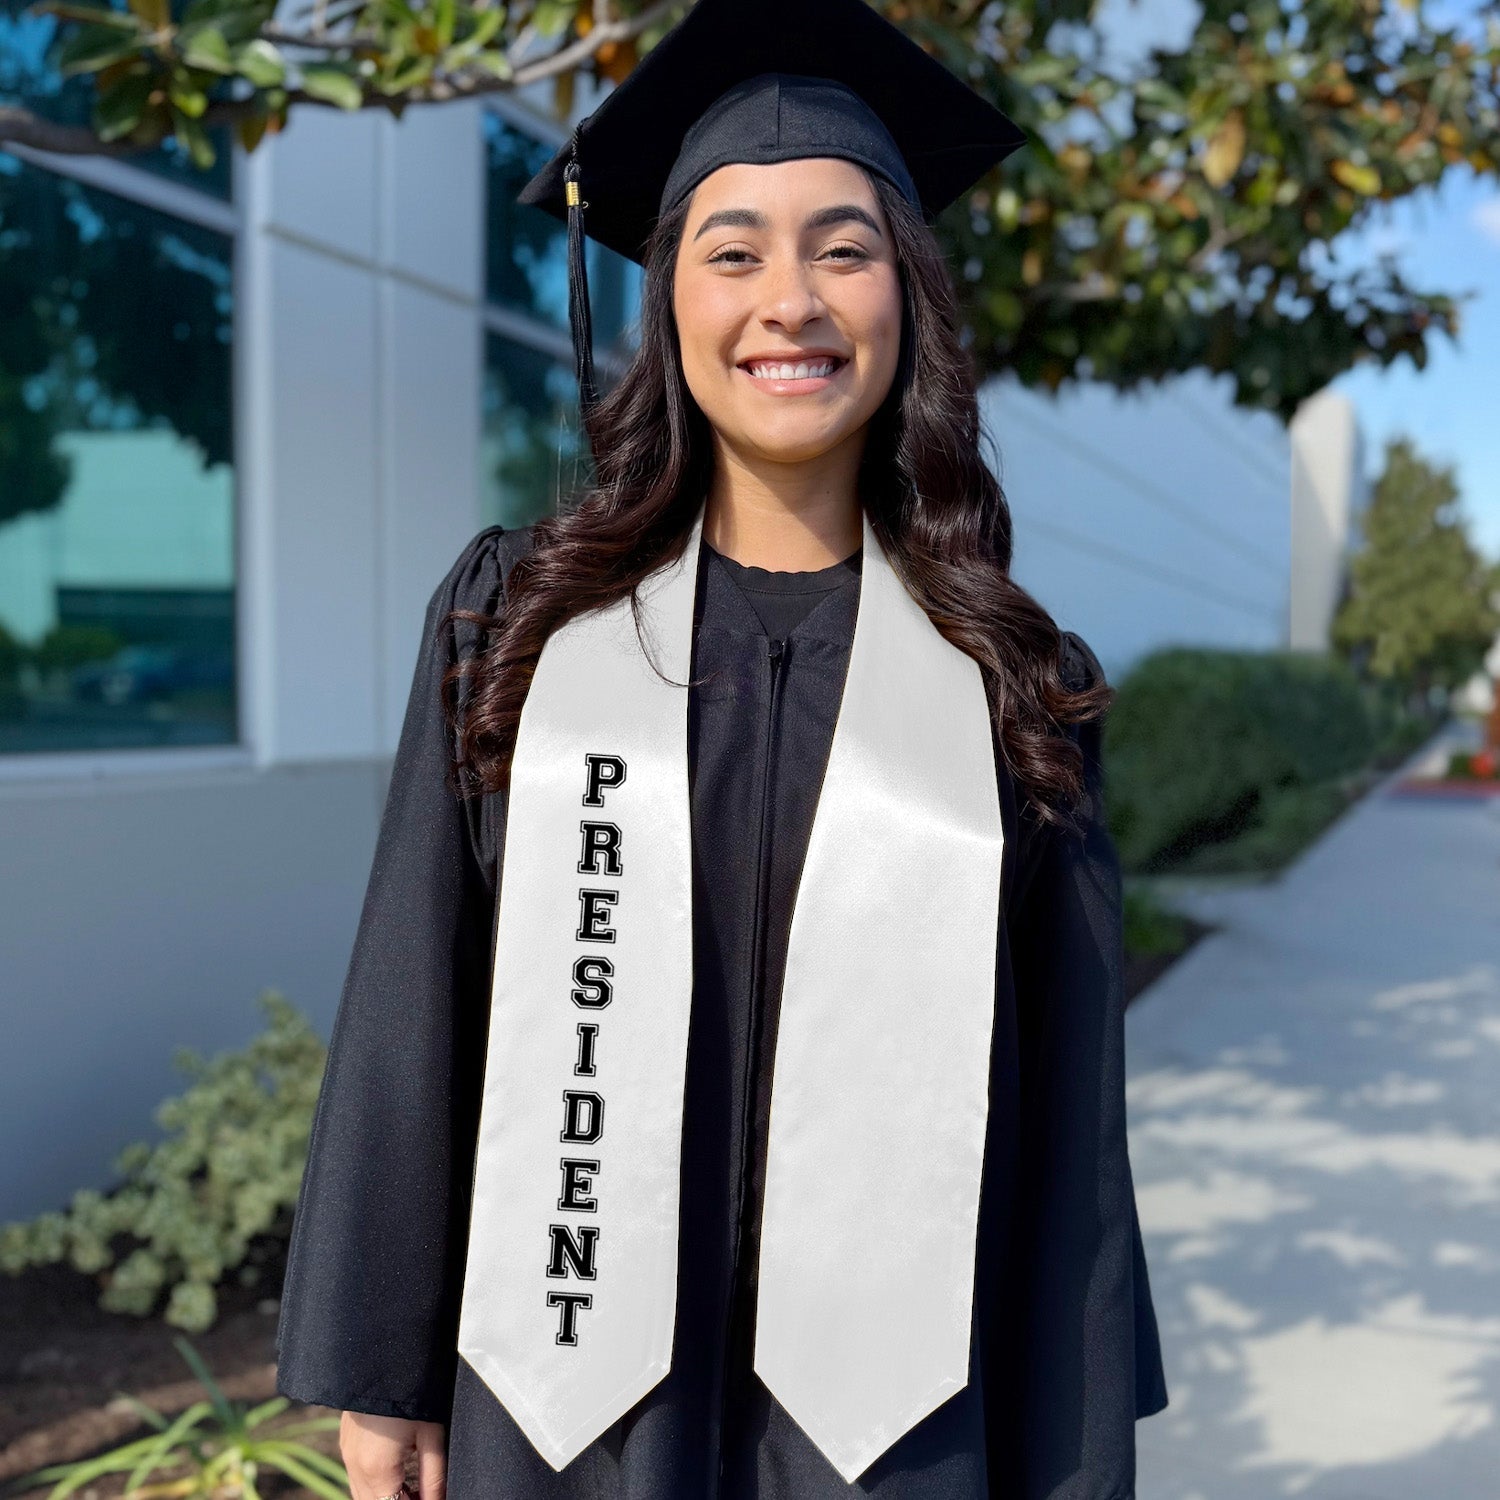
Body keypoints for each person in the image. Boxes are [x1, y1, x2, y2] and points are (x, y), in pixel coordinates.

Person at [273, 0, 1169, 1494]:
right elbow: (413, 992)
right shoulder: (526, 625)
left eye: (844, 246)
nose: (791, 303)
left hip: (895, 1425)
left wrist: (1069, 1457)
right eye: (734, 249)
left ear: (908, 299)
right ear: (668, 299)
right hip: (570, 1407)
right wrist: (384, 1367)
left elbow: (1070, 1130)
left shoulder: (1009, 683)